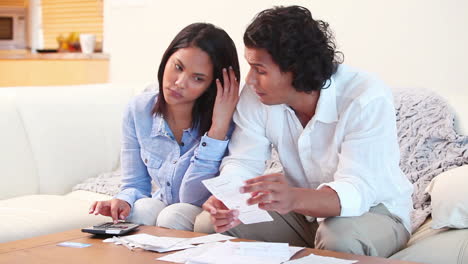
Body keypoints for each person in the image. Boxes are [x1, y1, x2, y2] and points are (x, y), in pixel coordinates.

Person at [197, 5, 413, 257]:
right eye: (251, 67)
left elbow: (358, 189)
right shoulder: (257, 96)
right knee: (209, 225)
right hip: (302, 215)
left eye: (260, 70)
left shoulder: (365, 96)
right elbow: (243, 161)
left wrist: (294, 198)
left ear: (296, 70)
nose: (250, 80)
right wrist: (230, 198)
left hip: (374, 212)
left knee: (339, 237)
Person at [89, 22, 240, 231]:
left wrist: (217, 130)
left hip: (203, 211)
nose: (179, 82)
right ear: (167, 59)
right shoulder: (139, 109)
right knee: (141, 208)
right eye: (178, 67)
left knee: (173, 215)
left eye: (197, 78)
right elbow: (135, 184)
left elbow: (191, 197)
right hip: (163, 205)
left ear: (212, 86)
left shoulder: (228, 122)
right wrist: (122, 201)